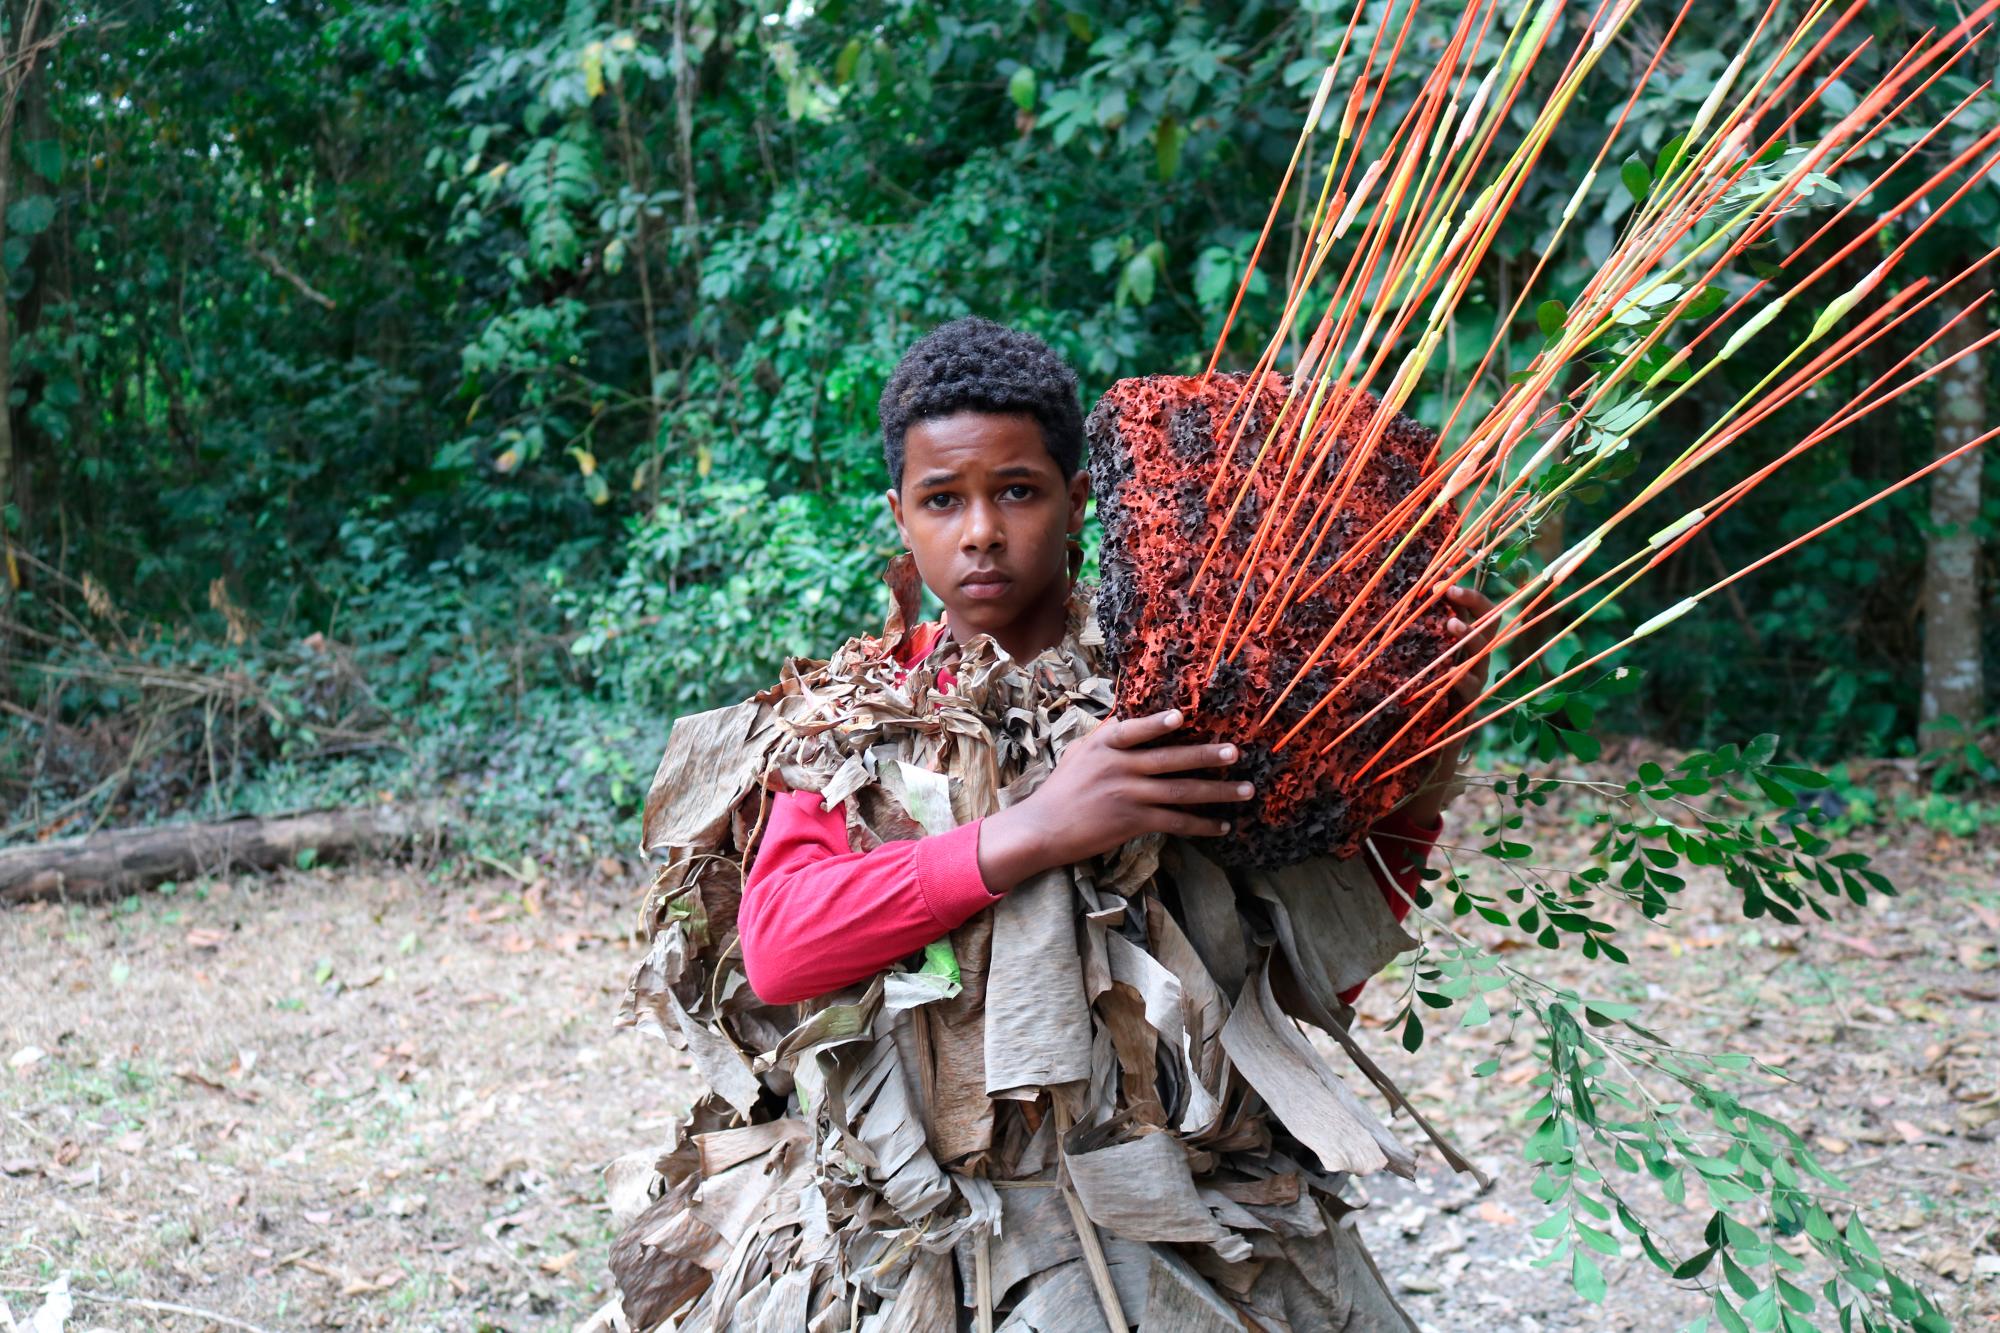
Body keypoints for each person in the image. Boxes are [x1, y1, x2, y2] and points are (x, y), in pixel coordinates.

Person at [606, 317, 1496, 1333]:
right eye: (944, 500)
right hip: (945, 1236)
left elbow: (1301, 980)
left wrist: (1415, 761)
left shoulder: (1173, 698)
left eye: (1016, 491)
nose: (980, 530)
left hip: (1194, 1226)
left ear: (1078, 502)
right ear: (900, 517)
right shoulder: (849, 728)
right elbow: (779, 946)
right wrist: (1045, 827)